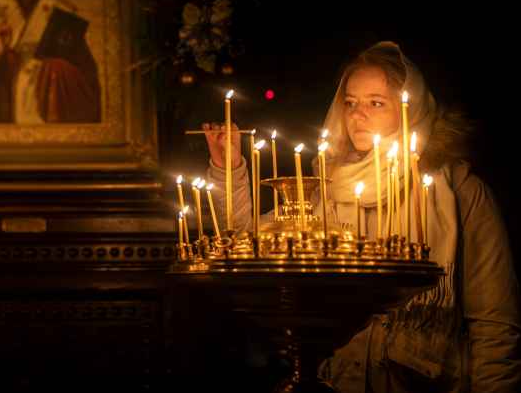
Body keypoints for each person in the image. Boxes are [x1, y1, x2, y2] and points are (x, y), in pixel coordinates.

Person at [202, 41, 520, 392]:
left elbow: (494, 322)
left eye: (376, 103)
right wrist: (227, 167)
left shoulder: (460, 192)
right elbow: (247, 244)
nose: (357, 115)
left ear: (410, 110)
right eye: (350, 103)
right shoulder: (328, 188)